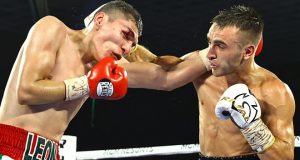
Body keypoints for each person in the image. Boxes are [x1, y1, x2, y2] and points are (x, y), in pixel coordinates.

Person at [122, 5, 295, 160]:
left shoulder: (273, 90)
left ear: (248, 51)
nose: (209, 53)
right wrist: (128, 45)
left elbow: (285, 158)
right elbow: (157, 64)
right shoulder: (204, 69)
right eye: (209, 42)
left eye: (220, 45)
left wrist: (252, 125)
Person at [0, 0, 143, 159]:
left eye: (133, 45)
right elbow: (26, 91)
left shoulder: (104, 66)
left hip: (51, 153)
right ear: (100, 20)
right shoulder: (53, 29)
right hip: (10, 146)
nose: (127, 48)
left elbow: (165, 78)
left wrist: (174, 58)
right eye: (125, 34)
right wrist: (86, 85)